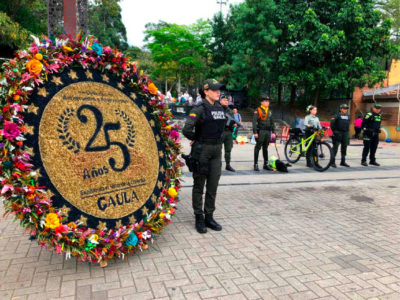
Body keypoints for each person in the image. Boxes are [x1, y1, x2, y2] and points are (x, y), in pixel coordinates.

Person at [182, 79, 226, 234]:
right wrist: (197, 137)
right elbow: (187, 129)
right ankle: (199, 217)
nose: (218, 92)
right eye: (215, 90)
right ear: (206, 91)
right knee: (199, 185)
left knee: (213, 184)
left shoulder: (220, 107)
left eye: (219, 90)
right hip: (202, 150)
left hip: (216, 150)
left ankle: (209, 216)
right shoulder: (199, 108)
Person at [252, 94, 275, 171]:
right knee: (258, 147)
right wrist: (255, 132)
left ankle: (266, 164)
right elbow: (254, 122)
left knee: (265, 148)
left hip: (268, 132)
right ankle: (255, 164)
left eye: (268, 101)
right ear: (261, 102)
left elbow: (272, 122)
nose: (267, 102)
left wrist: (274, 132)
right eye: (265, 101)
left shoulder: (269, 111)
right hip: (260, 131)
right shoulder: (257, 110)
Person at [220, 92, 237, 172]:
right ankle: (217, 164)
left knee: (228, 150)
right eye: (224, 100)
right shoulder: (217, 109)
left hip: (229, 132)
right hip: (220, 132)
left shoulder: (230, 110)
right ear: (220, 101)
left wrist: (234, 124)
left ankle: (228, 165)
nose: (226, 101)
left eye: (227, 100)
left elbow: (233, 120)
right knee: (218, 149)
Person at [330, 104, 350, 168]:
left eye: (346, 109)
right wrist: (335, 131)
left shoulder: (347, 116)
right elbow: (332, 124)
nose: (345, 110)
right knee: (335, 147)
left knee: (344, 147)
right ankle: (332, 162)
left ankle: (343, 162)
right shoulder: (336, 115)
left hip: (345, 133)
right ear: (341, 109)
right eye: (344, 108)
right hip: (338, 133)